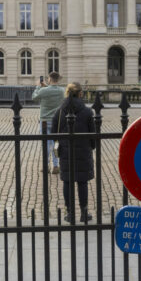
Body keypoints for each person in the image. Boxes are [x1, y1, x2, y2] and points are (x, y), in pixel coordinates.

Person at [52, 82, 95, 223]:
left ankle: (70, 213)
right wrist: (91, 147)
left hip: (66, 151)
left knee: (67, 182)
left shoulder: (60, 111)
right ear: (80, 93)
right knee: (82, 182)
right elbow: (93, 134)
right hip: (83, 151)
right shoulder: (88, 112)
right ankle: (84, 212)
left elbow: (54, 133)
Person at [32, 72, 65, 174]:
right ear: (58, 79)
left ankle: (46, 165)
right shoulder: (62, 91)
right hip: (57, 120)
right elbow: (54, 91)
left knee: (46, 143)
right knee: (56, 143)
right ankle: (56, 166)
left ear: (49, 79)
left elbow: (34, 97)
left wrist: (38, 87)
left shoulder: (43, 90)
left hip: (45, 120)